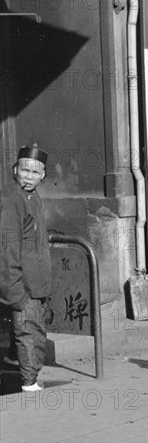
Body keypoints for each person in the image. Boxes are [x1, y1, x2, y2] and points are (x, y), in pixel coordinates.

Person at [0, 144, 52, 391]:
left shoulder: (33, 196)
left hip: (35, 283)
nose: (29, 176)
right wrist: (16, 293)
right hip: (24, 287)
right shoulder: (11, 198)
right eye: (25, 170)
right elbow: (6, 249)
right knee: (29, 335)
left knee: (32, 334)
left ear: (43, 175)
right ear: (15, 170)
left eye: (35, 172)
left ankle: (22, 378)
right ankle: (29, 387)